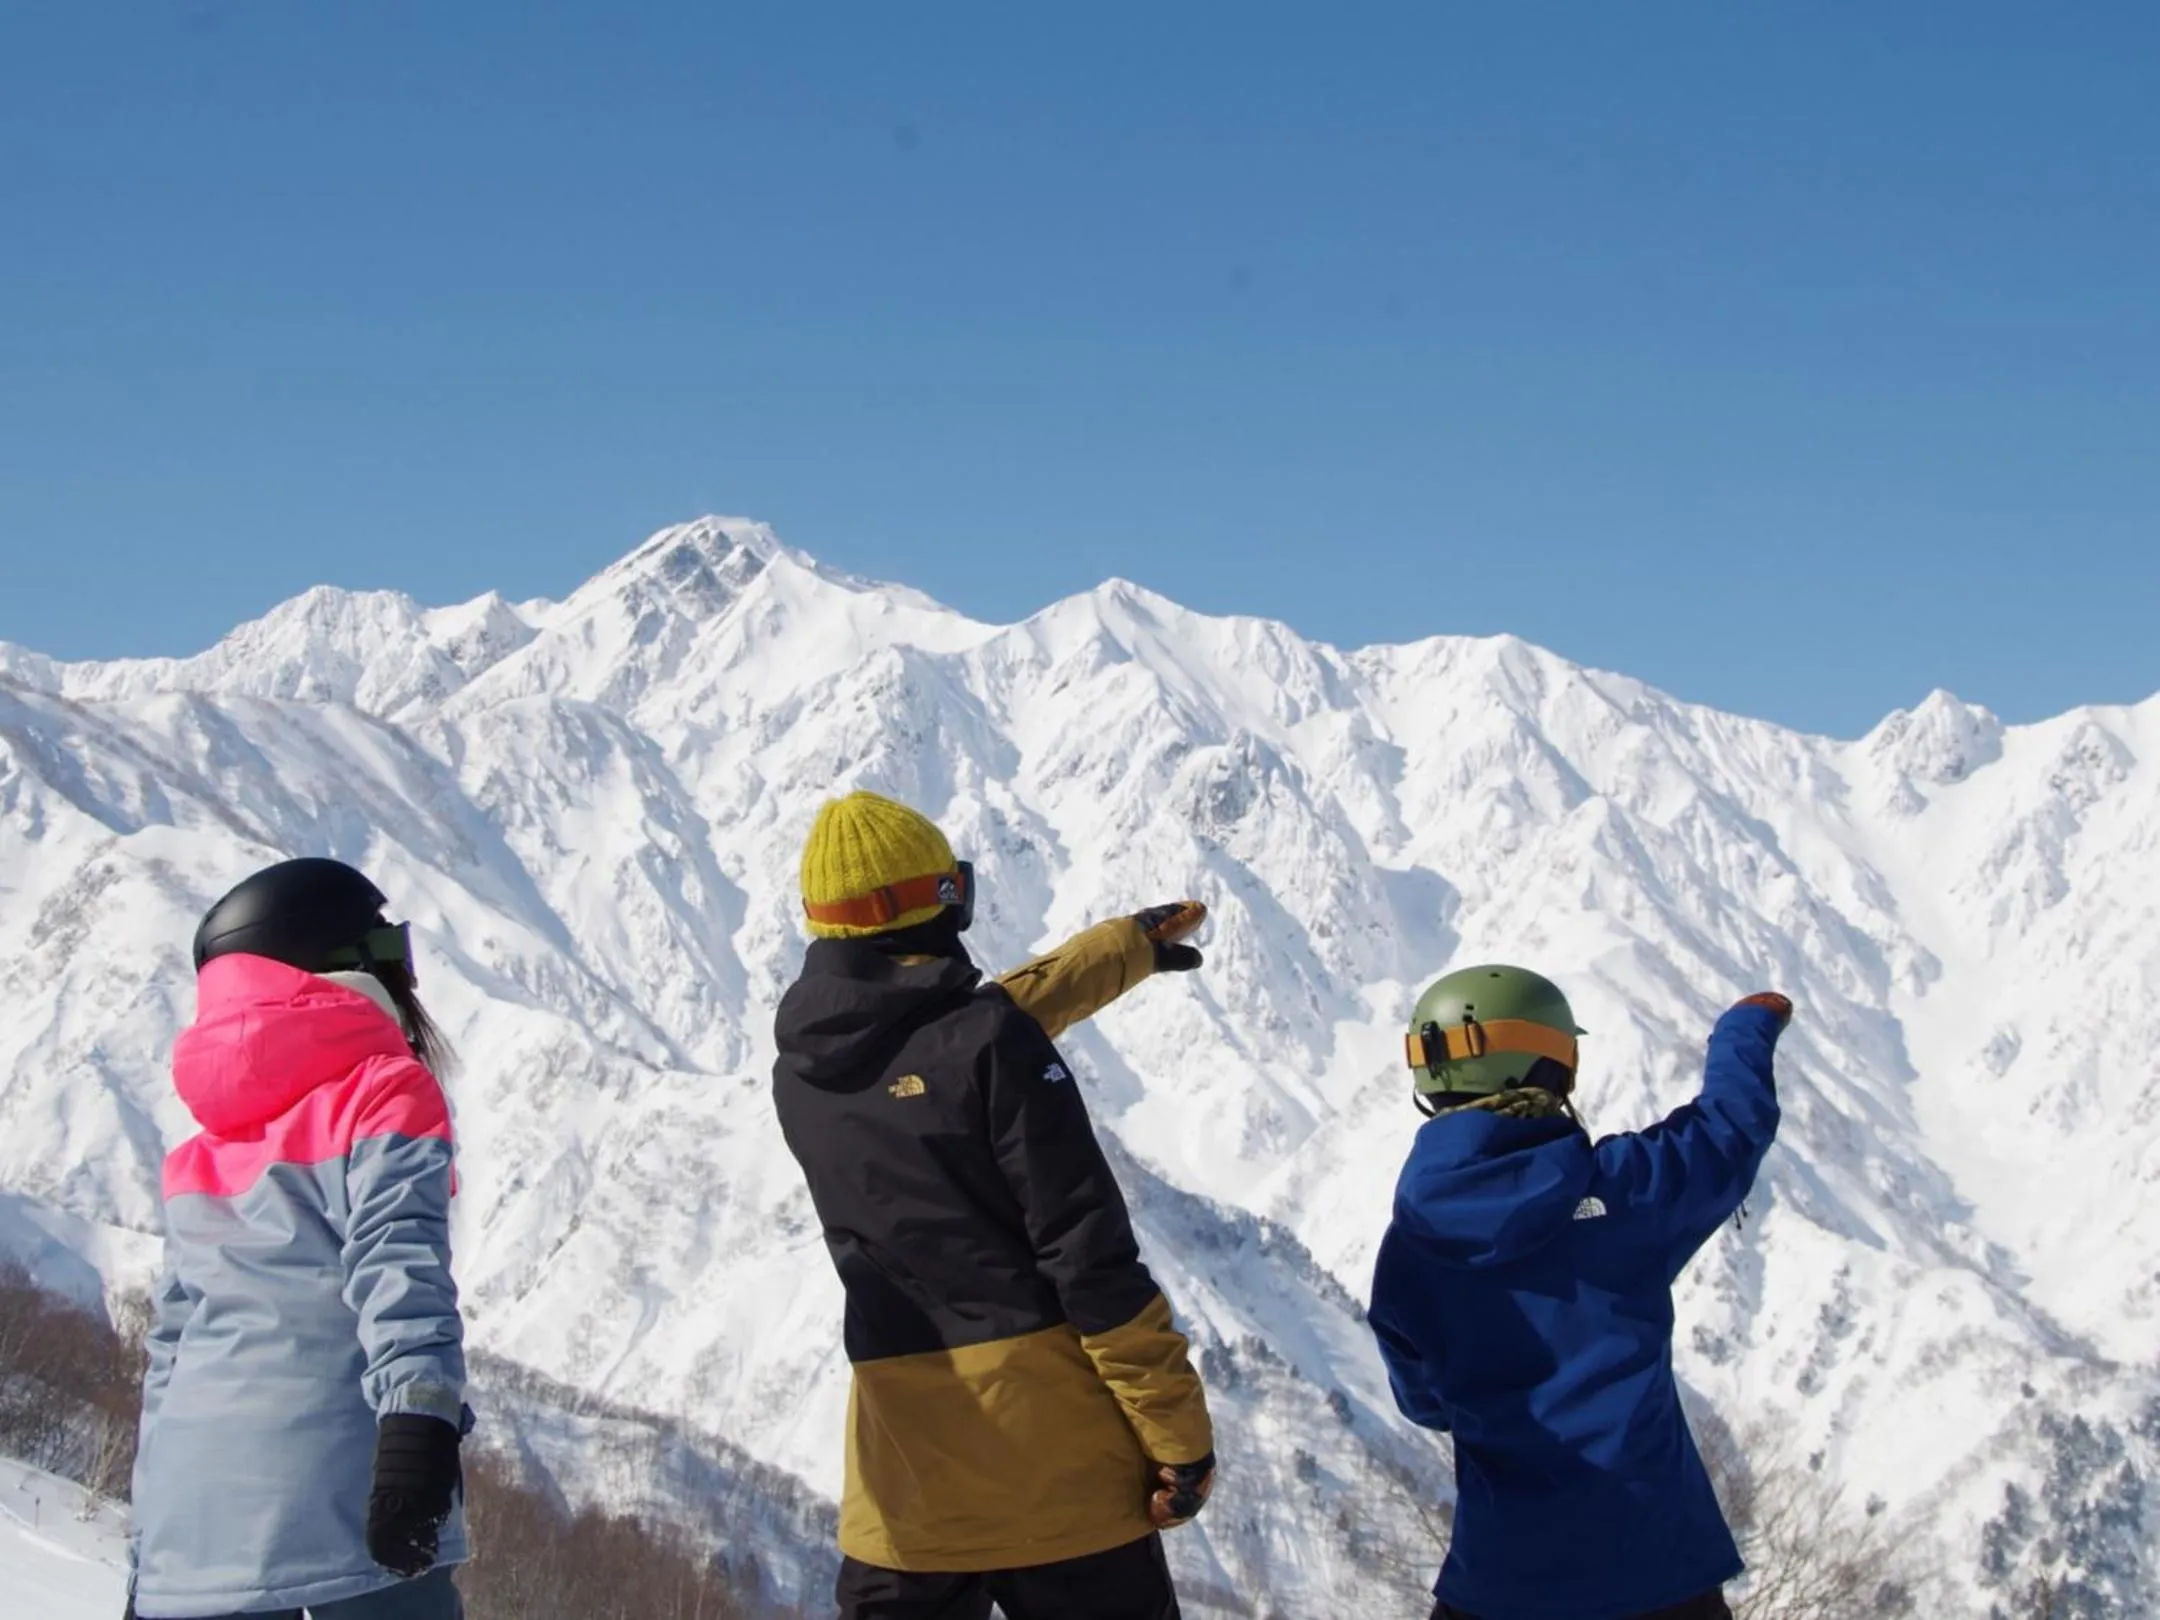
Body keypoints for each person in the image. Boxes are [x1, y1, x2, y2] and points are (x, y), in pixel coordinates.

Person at [771, 791, 1218, 1620]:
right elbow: (1091, 1265)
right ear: (938, 906)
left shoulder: (802, 1072)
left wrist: (1112, 953)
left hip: (901, 1495)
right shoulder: (987, 1048)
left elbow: (941, 1044)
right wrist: (1179, 1440)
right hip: (1059, 1481)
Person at [1367, 964, 1791, 1620]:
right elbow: (1729, 1130)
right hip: (1660, 1574)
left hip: (1499, 1584)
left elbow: (1425, 1403)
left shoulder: (1410, 1250)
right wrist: (1746, 1029)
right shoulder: (1625, 1192)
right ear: (1551, 1067)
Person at [129, 858, 471, 1620]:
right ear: (339, 969)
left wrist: (146, 1556)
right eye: (387, 955)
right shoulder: (383, 1090)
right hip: (342, 1512)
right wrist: (419, 1428)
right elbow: (399, 1268)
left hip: (189, 1538)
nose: (403, 976)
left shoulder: (201, 1153)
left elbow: (170, 1362)